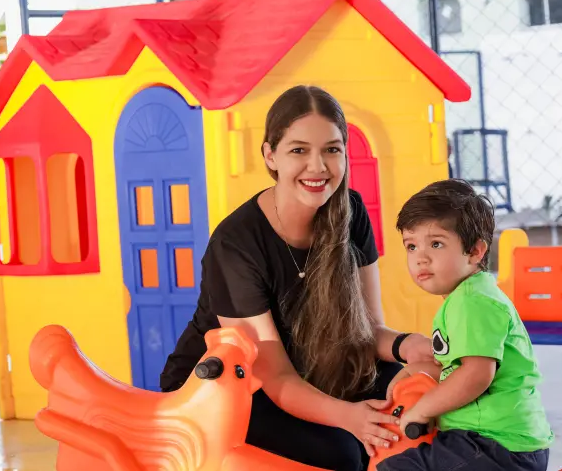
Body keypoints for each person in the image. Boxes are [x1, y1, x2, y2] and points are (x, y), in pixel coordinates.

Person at [159, 85, 436, 471]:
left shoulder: (351, 211)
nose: (318, 167)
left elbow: (368, 330)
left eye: (331, 150)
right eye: (299, 151)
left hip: (315, 364)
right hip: (231, 385)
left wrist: (409, 345)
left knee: (419, 406)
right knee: (344, 452)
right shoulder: (236, 245)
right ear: (270, 155)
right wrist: (350, 417)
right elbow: (275, 376)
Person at [377, 179, 554, 471]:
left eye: (436, 244)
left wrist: (423, 409)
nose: (421, 258)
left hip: (497, 445)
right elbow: (458, 369)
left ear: (474, 251)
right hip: (495, 442)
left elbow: (476, 375)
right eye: (411, 246)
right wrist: (414, 370)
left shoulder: (472, 302)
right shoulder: (466, 297)